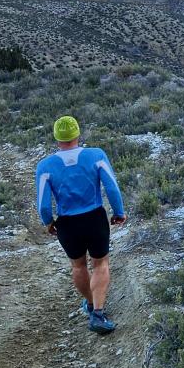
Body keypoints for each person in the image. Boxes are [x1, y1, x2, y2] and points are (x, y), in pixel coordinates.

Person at [35, 115, 127, 334]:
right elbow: (112, 187)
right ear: (77, 133)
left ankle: (89, 302)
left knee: (78, 266)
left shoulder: (45, 166)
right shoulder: (96, 155)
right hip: (94, 217)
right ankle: (98, 312)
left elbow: (43, 205)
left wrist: (48, 222)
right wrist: (119, 212)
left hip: (67, 223)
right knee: (100, 264)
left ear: (56, 137)